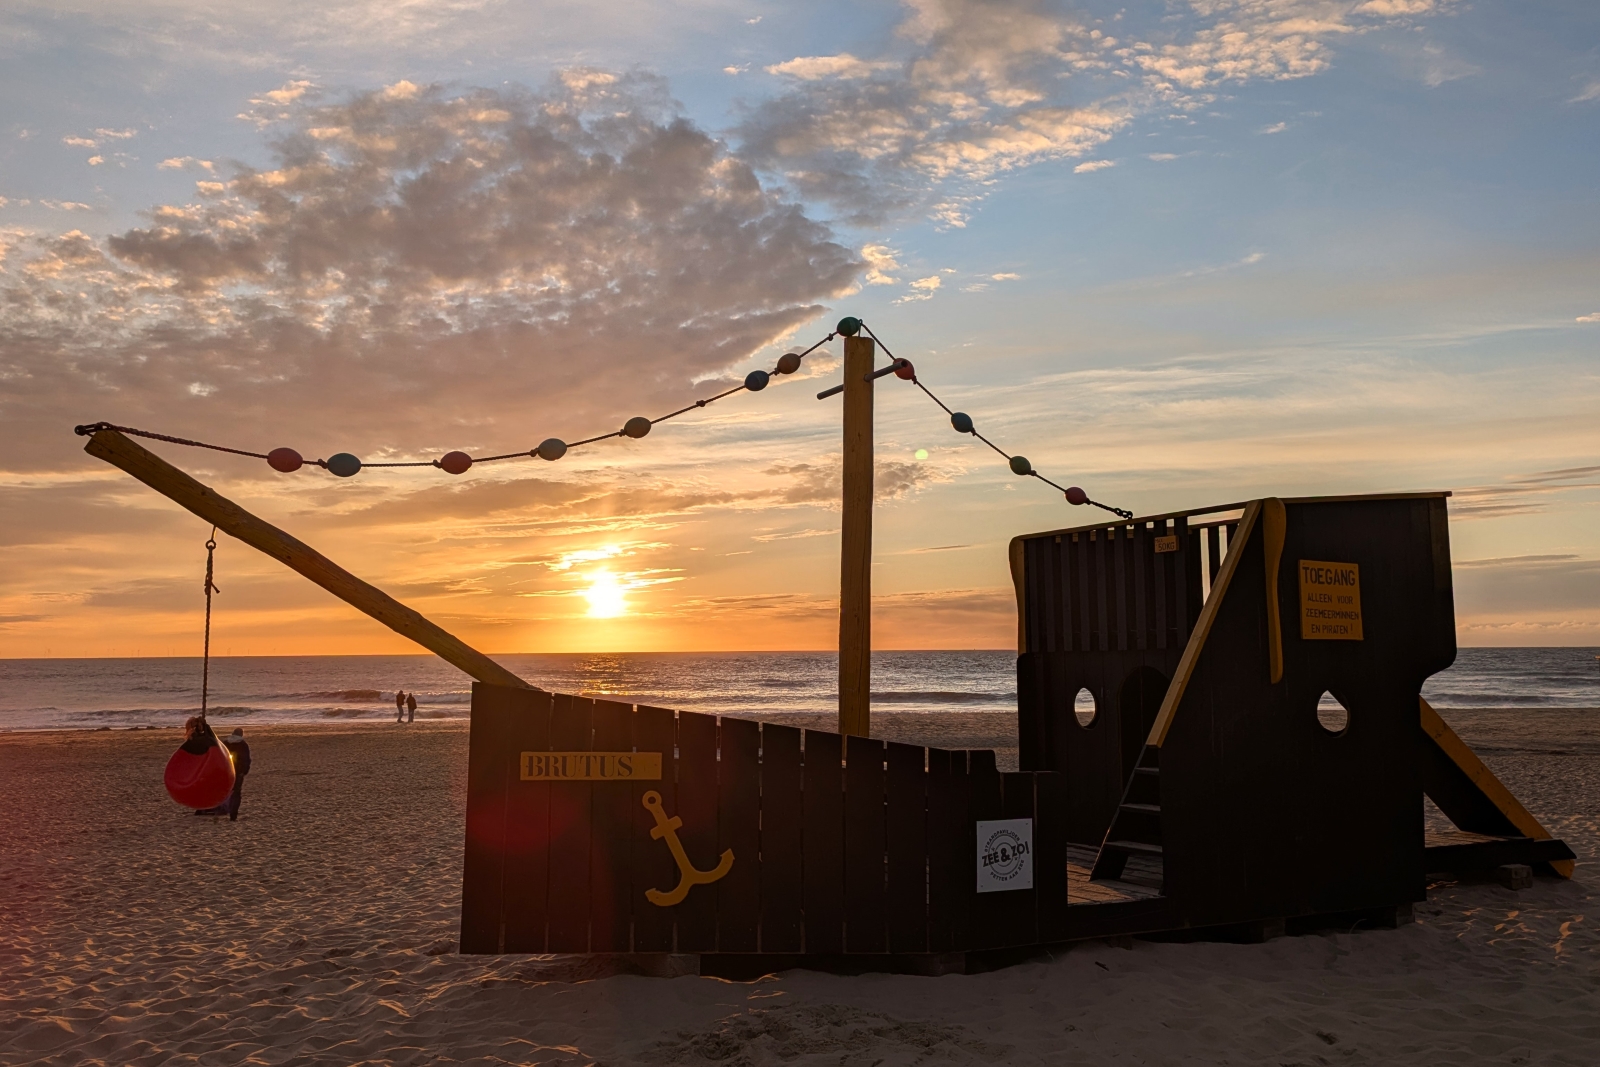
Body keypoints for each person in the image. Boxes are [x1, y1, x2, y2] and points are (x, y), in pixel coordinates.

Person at [221, 728, 251, 821]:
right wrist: (244, 771)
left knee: (226, 791)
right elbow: (246, 759)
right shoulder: (243, 744)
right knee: (236, 792)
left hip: (226, 771)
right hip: (238, 772)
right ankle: (233, 814)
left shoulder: (225, 743)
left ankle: (224, 809)